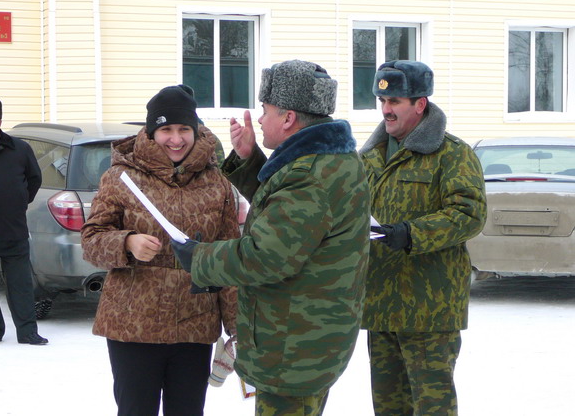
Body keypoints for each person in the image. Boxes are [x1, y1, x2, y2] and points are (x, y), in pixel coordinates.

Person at [171, 60, 371, 415]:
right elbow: (290, 220)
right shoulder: (330, 159)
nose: (260, 120)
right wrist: (250, 160)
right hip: (310, 338)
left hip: (293, 346)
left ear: (289, 118)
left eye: (265, 111)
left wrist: (200, 258)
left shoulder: (308, 175)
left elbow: (268, 255)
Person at [80, 85, 239, 416]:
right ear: (152, 132)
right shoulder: (122, 177)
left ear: (196, 130)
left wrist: (238, 328)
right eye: (166, 129)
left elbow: (227, 259)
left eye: (184, 129)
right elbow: (92, 239)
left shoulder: (217, 183)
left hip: (194, 326)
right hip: (133, 327)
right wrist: (126, 243)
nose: (176, 139)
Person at [359, 60, 487, 415]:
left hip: (428, 310)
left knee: (432, 407)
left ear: (420, 103)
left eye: (396, 101)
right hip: (380, 307)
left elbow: (469, 214)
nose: (386, 110)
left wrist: (411, 234)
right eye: (382, 101)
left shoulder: (452, 154)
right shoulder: (368, 156)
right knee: (388, 408)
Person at [0, 95, 47, 346]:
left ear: (0, 122)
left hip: (13, 230)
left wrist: (18, 204)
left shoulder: (19, 149)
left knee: (21, 285)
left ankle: (27, 331)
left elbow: (34, 179)